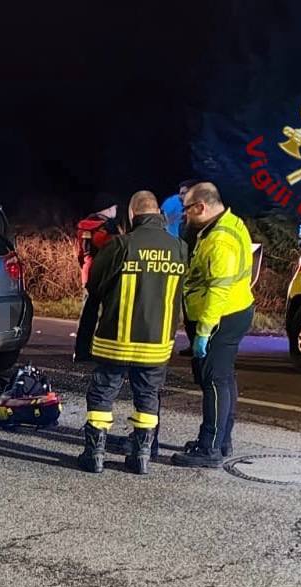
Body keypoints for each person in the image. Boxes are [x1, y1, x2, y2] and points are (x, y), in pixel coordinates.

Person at [74, 191, 188, 474]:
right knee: (148, 397)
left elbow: (94, 287)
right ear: (159, 214)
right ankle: (141, 457)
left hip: (116, 339)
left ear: (133, 215)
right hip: (157, 343)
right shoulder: (180, 248)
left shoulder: (121, 245)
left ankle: (95, 455)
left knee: (102, 395)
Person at [172, 182, 255, 467]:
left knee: (214, 382)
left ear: (201, 207)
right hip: (235, 309)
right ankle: (222, 440)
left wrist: (204, 331)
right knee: (224, 379)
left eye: (187, 210)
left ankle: (210, 447)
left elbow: (218, 290)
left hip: (221, 316)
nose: (185, 217)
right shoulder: (232, 223)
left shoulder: (220, 240)